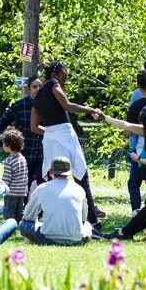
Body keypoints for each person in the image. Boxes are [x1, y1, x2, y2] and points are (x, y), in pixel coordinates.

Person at [29, 61, 104, 231]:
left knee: (50, 178)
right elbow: (67, 105)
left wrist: (50, 132)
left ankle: (47, 218)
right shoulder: (53, 84)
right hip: (65, 135)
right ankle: (92, 222)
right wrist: (91, 110)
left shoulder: (37, 97)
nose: (66, 77)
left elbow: (34, 127)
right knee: (80, 175)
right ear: (56, 73)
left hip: (49, 139)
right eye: (64, 73)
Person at [18, 157, 92, 246]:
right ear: (69, 172)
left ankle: (32, 243)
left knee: (23, 224)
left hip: (48, 238)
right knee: (88, 225)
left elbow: (28, 217)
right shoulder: (79, 189)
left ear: (50, 172)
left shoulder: (42, 188)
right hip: (76, 240)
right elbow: (83, 219)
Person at [0, 75, 44, 189]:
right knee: (24, 186)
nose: (38, 89)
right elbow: (2, 123)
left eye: (40, 87)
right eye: (34, 87)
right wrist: (1, 143)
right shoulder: (19, 105)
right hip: (24, 152)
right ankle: (24, 207)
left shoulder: (48, 106)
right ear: (29, 89)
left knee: (43, 185)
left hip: (43, 152)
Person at [125, 71, 146, 211]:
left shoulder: (135, 106)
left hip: (141, 149)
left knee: (134, 182)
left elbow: (128, 130)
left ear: (138, 86)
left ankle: (136, 212)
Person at [0, 128, 29, 223]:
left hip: (11, 193)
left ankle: (9, 227)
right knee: (19, 212)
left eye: (3, 143)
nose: (2, 145)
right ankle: (19, 225)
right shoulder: (22, 158)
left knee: (8, 213)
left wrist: (1, 188)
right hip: (22, 191)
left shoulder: (9, 160)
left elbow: (7, 179)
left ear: (9, 145)